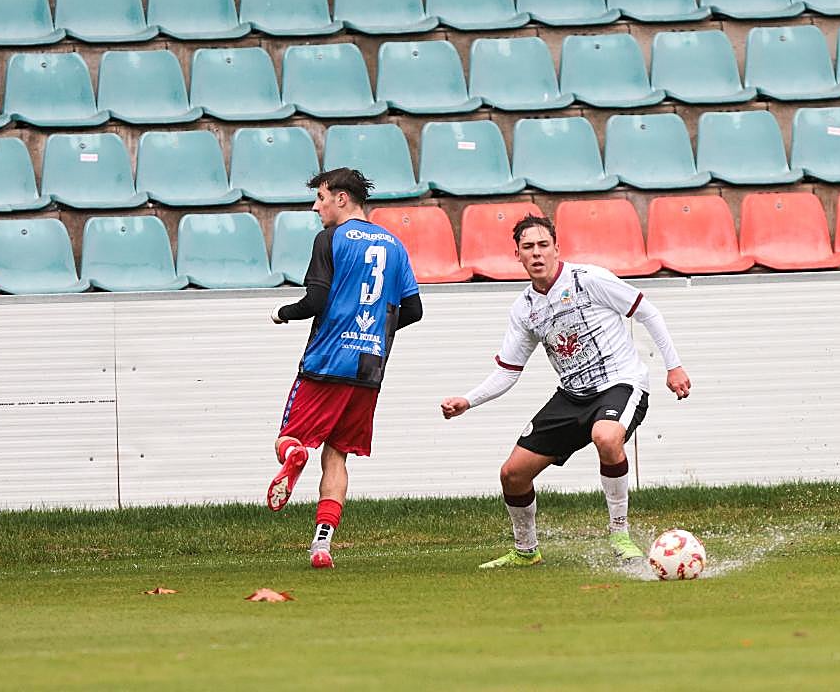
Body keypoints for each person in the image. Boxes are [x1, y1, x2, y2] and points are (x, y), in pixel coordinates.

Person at [440, 214, 689, 569]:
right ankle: (526, 550)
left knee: (606, 437)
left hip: (620, 383)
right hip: (571, 396)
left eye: (544, 245)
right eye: (529, 247)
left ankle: (619, 533)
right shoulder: (524, 309)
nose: (537, 253)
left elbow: (646, 311)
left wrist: (673, 365)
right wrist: (468, 400)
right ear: (518, 255)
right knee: (512, 474)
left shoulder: (588, 279)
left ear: (558, 248)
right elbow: (508, 371)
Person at [267, 167, 422, 569]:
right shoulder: (394, 245)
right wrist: (372, 330)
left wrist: (283, 313)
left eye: (321, 197)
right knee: (337, 457)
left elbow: (315, 302)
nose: (316, 207)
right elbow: (414, 310)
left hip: (326, 361)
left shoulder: (330, 239)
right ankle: (322, 544)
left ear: (341, 198)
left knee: (288, 440)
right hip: (369, 368)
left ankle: (295, 455)